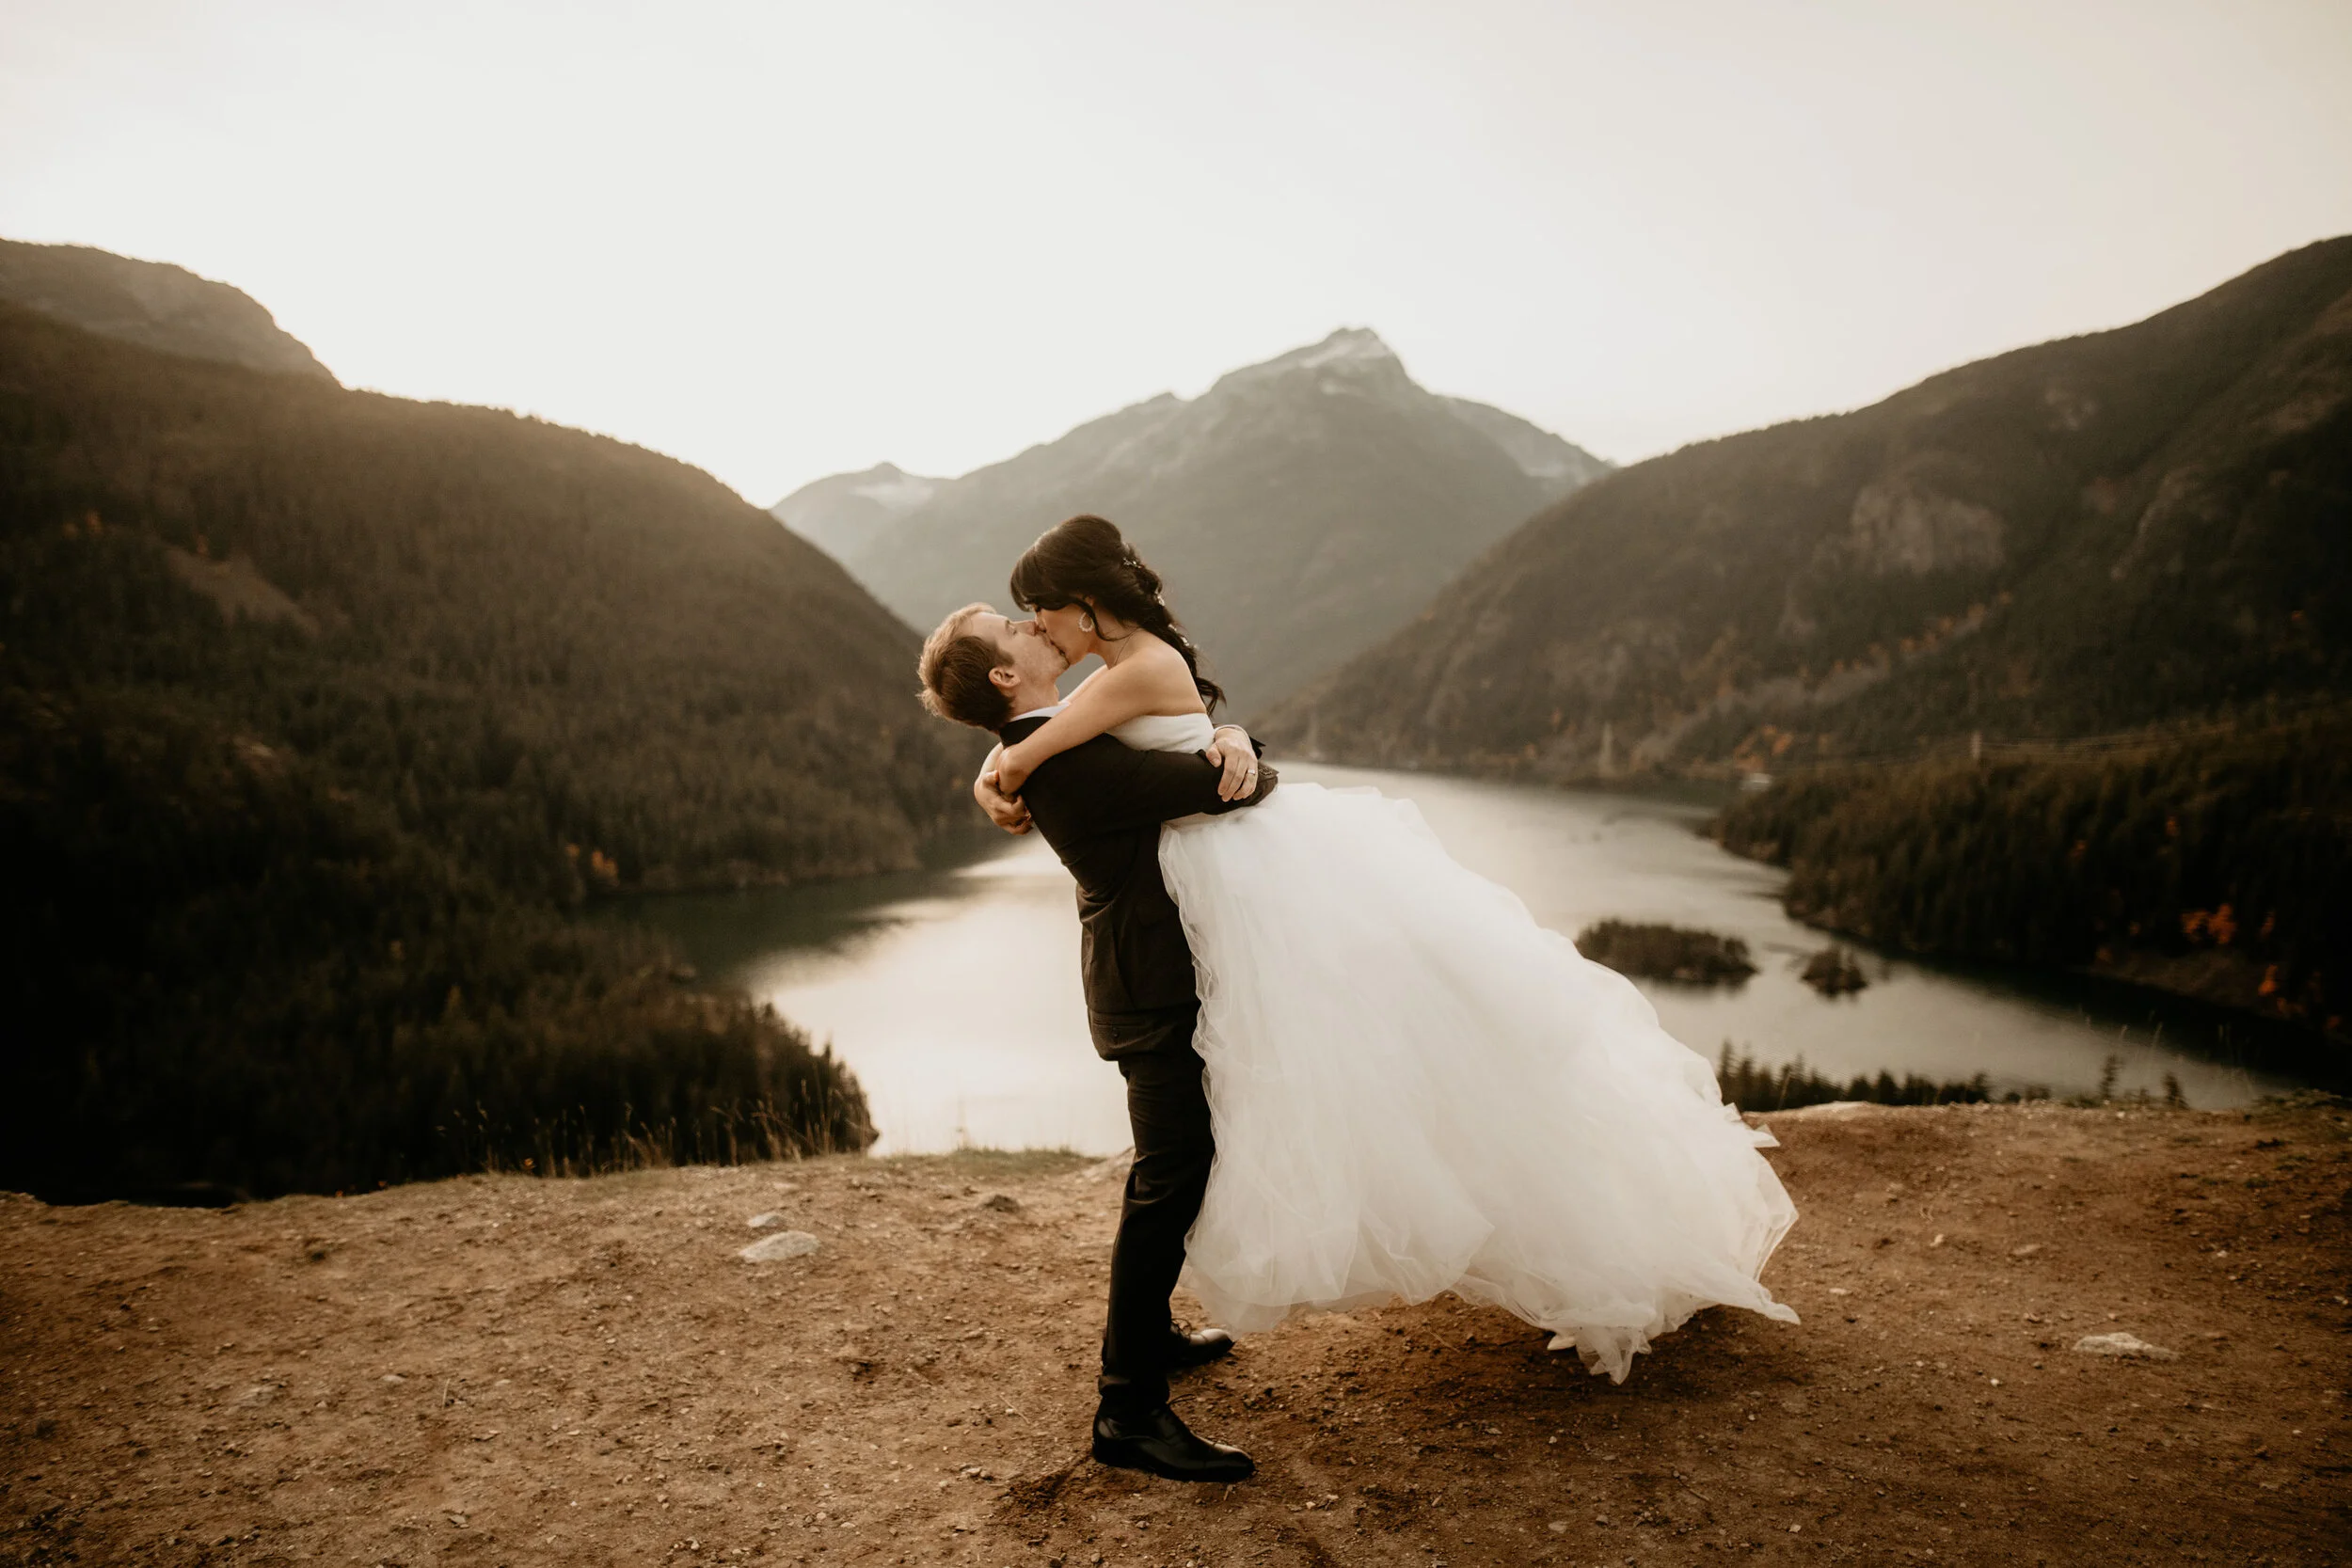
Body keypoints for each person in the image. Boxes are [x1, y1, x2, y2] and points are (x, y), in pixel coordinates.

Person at [968, 515, 1799, 1385]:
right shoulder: (1118, 674)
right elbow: (1062, 738)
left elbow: (1052, 742)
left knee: (1367, 1064)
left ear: (1086, 601)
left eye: (1041, 609)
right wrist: (1019, 764)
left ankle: (1137, 1364)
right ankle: (1138, 1361)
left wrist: (1004, 772)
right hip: (1222, 890)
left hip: (1245, 878)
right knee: (1271, 1100)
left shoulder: (1126, 675)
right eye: (1022, 620)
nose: (1038, 627)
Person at [916, 600, 1271, 1484]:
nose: (1037, 628)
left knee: (1167, 1167)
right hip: (1149, 992)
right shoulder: (1065, 765)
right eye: (1015, 630)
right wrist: (1238, 747)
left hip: (1142, 981)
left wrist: (1226, 730)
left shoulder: (1051, 742)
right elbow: (1226, 788)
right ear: (1006, 676)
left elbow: (1196, 757)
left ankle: (1147, 1335)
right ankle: (1127, 1409)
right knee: (1171, 1172)